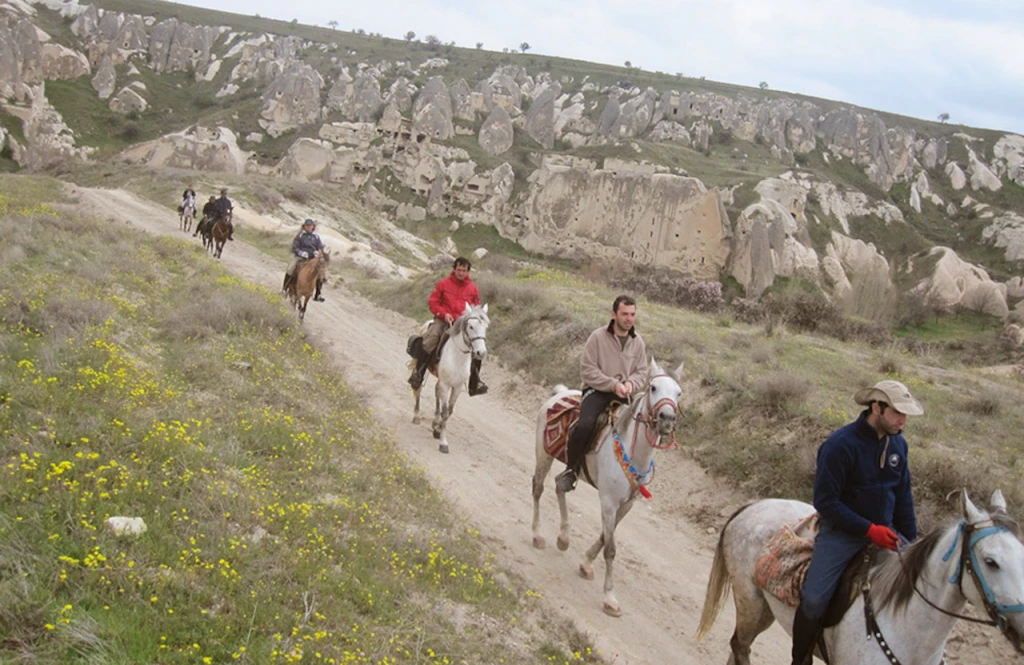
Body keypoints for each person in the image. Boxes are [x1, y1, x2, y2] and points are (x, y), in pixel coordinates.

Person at [790, 379, 923, 665]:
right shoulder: (840, 445)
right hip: (842, 534)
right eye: (898, 413)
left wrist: (911, 543)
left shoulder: (899, 444)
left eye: (906, 414)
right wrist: (867, 529)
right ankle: (799, 660)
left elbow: (903, 499)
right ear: (877, 407)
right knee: (813, 601)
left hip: (887, 534)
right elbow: (825, 502)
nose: (904, 421)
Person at [555, 295, 648, 493]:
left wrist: (631, 384)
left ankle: (635, 474)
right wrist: (612, 384)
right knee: (584, 425)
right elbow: (587, 370)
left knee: (638, 429)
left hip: (624, 394)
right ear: (614, 314)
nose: (629, 319)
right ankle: (571, 470)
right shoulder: (597, 337)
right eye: (624, 314)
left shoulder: (638, 342)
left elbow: (642, 371)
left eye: (632, 314)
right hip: (596, 391)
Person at [408, 257, 488, 396]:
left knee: (477, 347)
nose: (461, 273)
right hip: (443, 320)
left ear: (468, 271)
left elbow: (476, 308)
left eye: (464, 270)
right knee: (431, 338)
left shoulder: (472, 288)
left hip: (462, 323)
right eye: (458, 270)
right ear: (454, 269)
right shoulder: (443, 284)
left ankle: (475, 383)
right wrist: (444, 314)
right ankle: (418, 373)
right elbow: (433, 302)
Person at [283, 218, 326, 302]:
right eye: (307, 226)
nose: (309, 227)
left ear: (313, 227)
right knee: (290, 269)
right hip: (300, 257)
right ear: (305, 226)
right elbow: (294, 247)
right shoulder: (300, 235)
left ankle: (318, 294)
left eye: (310, 226)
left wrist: (318, 252)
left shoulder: (316, 236)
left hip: (312, 258)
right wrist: (301, 253)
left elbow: (320, 247)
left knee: (320, 272)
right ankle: (284, 289)